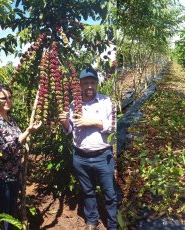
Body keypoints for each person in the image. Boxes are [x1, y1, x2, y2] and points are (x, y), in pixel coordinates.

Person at [59, 67, 117, 230]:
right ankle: (92, 220)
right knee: (87, 191)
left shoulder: (107, 102)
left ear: (97, 84)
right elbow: (70, 130)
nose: (89, 86)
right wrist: (64, 122)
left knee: (110, 193)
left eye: (92, 82)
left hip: (102, 156)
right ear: (80, 86)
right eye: (86, 83)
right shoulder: (73, 105)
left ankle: (112, 224)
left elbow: (114, 127)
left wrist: (94, 121)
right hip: (80, 156)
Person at [0, 83, 42, 230]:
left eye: (10, 97)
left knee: (10, 214)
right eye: (3, 98)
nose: (8, 101)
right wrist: (28, 131)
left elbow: (18, 145)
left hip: (13, 176)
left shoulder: (11, 119)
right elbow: (4, 151)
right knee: (1, 217)